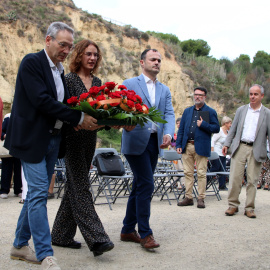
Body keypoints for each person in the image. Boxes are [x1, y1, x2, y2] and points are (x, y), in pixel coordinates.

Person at [4, 22, 96, 270]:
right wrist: (77, 118)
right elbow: (41, 101)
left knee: (38, 192)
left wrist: (75, 122)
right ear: (48, 40)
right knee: (38, 194)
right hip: (31, 139)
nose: (66, 50)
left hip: (53, 139)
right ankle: (45, 254)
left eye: (69, 46)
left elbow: (62, 103)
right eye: (62, 44)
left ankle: (19, 245)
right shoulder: (32, 62)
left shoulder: (60, 70)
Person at [51, 39, 114, 256]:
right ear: (79, 55)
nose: (92, 58)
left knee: (74, 187)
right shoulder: (67, 80)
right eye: (88, 54)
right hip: (72, 138)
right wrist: (73, 122)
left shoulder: (97, 82)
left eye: (95, 55)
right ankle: (97, 238)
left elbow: (101, 113)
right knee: (81, 185)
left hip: (90, 139)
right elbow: (60, 109)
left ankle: (60, 235)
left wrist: (108, 121)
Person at [120, 49, 175, 249]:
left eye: (159, 60)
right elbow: (121, 108)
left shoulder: (165, 90)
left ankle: (127, 229)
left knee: (139, 185)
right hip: (134, 141)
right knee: (147, 184)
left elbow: (169, 114)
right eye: (153, 59)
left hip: (155, 142)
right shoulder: (129, 84)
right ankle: (145, 233)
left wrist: (168, 133)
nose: (157, 63)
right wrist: (125, 122)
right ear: (142, 62)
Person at [223, 84, 270, 219]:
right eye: (251, 94)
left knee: (252, 180)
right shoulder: (241, 110)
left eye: (255, 94)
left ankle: (249, 208)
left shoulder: (267, 113)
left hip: (257, 148)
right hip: (240, 147)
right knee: (235, 178)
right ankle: (232, 205)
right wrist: (227, 144)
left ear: (261, 96)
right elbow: (233, 130)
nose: (252, 96)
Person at [176, 87, 220, 208]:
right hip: (187, 145)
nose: (197, 97)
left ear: (205, 97)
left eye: (200, 95)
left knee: (201, 173)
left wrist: (204, 124)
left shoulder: (210, 111)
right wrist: (179, 144)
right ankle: (188, 197)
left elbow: (216, 128)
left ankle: (201, 198)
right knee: (187, 173)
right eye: (196, 94)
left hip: (201, 146)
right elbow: (181, 129)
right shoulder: (187, 111)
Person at [0, 113, 22, 199]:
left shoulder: (22, 116)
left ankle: (18, 190)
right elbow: (1, 131)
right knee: (6, 170)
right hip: (8, 147)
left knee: (18, 170)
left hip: (19, 148)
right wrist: (4, 135)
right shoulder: (8, 117)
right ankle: (4, 190)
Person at [209, 116, 232, 190]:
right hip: (216, 152)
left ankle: (222, 186)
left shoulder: (228, 132)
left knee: (223, 169)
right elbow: (213, 140)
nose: (231, 125)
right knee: (216, 167)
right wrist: (212, 152)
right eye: (230, 123)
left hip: (223, 153)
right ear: (225, 123)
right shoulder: (219, 130)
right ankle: (205, 180)